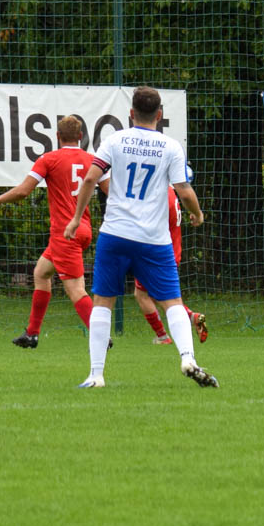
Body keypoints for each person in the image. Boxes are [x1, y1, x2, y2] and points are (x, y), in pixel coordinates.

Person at [64, 86, 215, 389]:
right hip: (154, 239)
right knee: (172, 302)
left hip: (115, 234)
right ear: (160, 115)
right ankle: (188, 358)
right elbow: (184, 190)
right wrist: (197, 214)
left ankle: (96, 375)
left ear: (131, 113)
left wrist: (77, 218)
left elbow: (92, 177)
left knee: (102, 302)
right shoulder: (170, 146)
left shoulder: (114, 140)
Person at [0, 115, 107, 348]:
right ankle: (31, 334)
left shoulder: (49, 159)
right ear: (81, 137)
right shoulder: (93, 160)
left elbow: (24, 191)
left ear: (58, 136)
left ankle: (100, 334)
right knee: (41, 272)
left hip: (66, 232)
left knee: (75, 289)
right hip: (83, 229)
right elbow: (110, 190)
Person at [135, 167, 209, 346]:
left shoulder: (160, 196)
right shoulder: (172, 196)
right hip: (172, 252)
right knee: (157, 294)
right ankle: (192, 317)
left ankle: (163, 336)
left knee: (142, 295)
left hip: (156, 254)